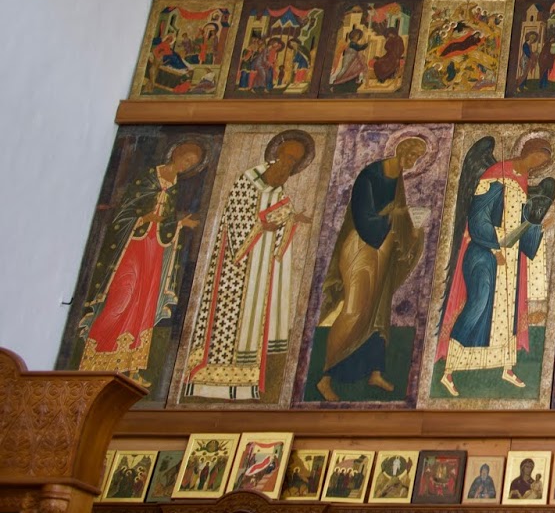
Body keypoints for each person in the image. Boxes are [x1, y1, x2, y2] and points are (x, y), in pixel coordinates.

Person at [183, 130, 315, 400]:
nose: (288, 163)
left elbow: (279, 217)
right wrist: (261, 226)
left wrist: (292, 219)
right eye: (287, 156)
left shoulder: (279, 189)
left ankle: (243, 385)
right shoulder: (248, 179)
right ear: (277, 152)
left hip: (260, 265)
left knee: (253, 320)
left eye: (294, 161)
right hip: (235, 266)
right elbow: (235, 214)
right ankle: (206, 380)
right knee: (226, 320)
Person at [435, 135, 555, 396]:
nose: (538, 162)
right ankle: (449, 371)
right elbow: (478, 216)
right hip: (484, 252)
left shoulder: (523, 182)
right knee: (478, 304)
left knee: (508, 312)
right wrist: (494, 249)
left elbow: (521, 224)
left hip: (511, 258)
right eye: (538, 155)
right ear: (527, 150)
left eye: (543, 161)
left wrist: (537, 227)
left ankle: (506, 366)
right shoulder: (496, 173)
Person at [78, 141, 206, 382]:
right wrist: (143, 218)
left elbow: (166, 219)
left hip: (155, 247)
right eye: (186, 159)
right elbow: (124, 212)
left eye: (191, 164)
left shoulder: (175, 185)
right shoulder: (149, 177)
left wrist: (180, 223)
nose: (186, 165)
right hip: (133, 244)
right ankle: (95, 360)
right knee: (121, 296)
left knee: (145, 301)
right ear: (176, 154)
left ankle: (132, 367)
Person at [314, 137, 428, 402]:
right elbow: (364, 216)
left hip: (383, 251)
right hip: (361, 246)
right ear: (400, 150)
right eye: (411, 154)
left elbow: (399, 215)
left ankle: (375, 372)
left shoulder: (398, 179)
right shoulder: (370, 175)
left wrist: (413, 231)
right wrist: (394, 216)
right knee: (354, 311)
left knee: (378, 312)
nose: (413, 161)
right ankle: (324, 377)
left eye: (417, 157)